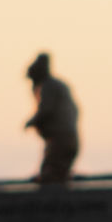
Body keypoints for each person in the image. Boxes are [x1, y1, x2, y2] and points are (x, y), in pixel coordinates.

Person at [24, 53, 80, 183]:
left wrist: (32, 122)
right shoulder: (55, 86)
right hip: (63, 139)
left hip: (61, 140)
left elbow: (46, 110)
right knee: (54, 174)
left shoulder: (48, 87)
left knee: (51, 178)